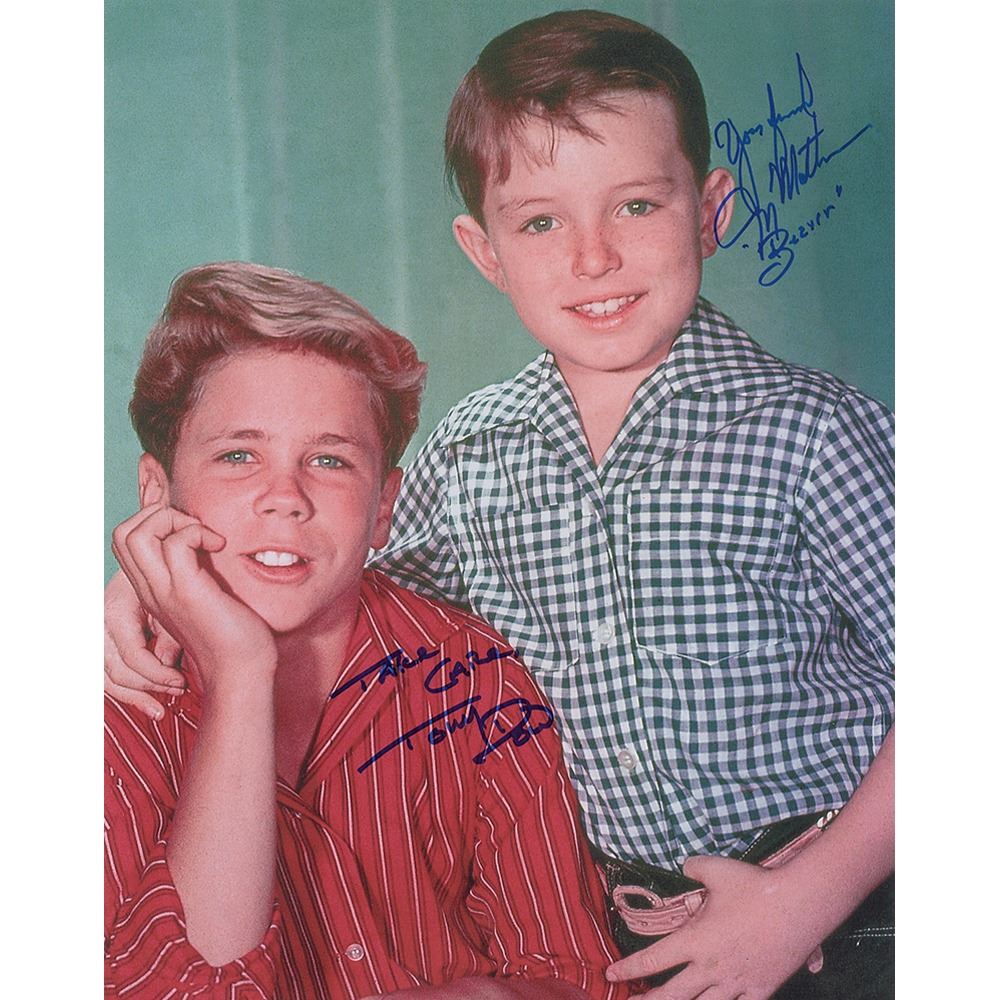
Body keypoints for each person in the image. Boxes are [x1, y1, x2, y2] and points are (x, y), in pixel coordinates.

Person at [106, 11, 894, 999]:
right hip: (630, 934)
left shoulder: (810, 432)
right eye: (541, 222)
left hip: (847, 911)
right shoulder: (471, 451)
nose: (593, 257)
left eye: (636, 205)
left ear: (710, 209)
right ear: (485, 251)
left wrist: (809, 896)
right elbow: (322, 572)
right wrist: (157, 585)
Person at [103, 261, 629, 1000]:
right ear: (158, 492)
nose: (285, 497)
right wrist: (242, 673)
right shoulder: (106, 709)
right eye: (238, 456)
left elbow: (574, 976)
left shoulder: (473, 674)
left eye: (329, 459)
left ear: (384, 508)